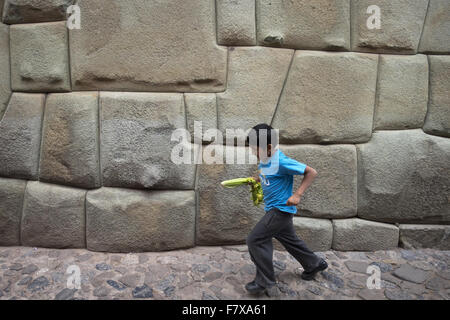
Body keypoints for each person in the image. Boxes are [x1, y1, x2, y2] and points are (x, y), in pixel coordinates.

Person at [244, 123, 328, 296]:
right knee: (291, 241)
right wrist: (256, 179)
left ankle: (264, 281)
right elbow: (267, 174)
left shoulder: (282, 161)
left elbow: (311, 172)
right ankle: (314, 263)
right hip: (273, 210)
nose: (253, 153)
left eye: (255, 149)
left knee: (255, 239)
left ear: (268, 147)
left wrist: (297, 194)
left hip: (280, 210)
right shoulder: (265, 160)